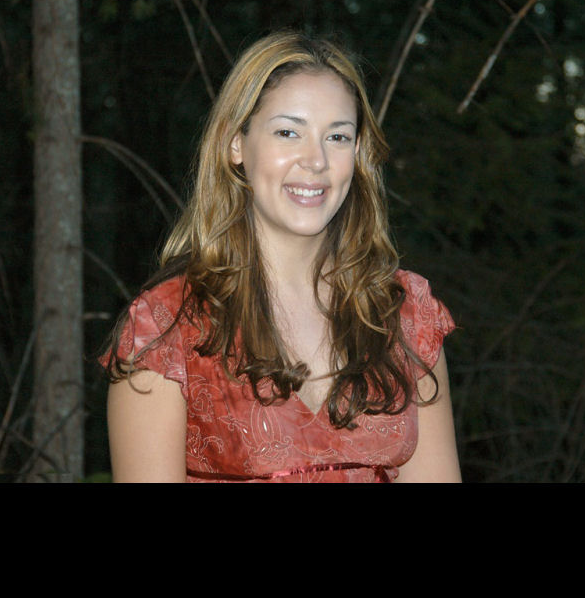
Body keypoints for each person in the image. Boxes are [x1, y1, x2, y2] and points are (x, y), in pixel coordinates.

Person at [101, 30, 461, 483]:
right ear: (235, 143)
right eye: (288, 132)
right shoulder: (166, 329)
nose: (316, 160)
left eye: (337, 136)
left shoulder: (406, 315)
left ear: (357, 153)